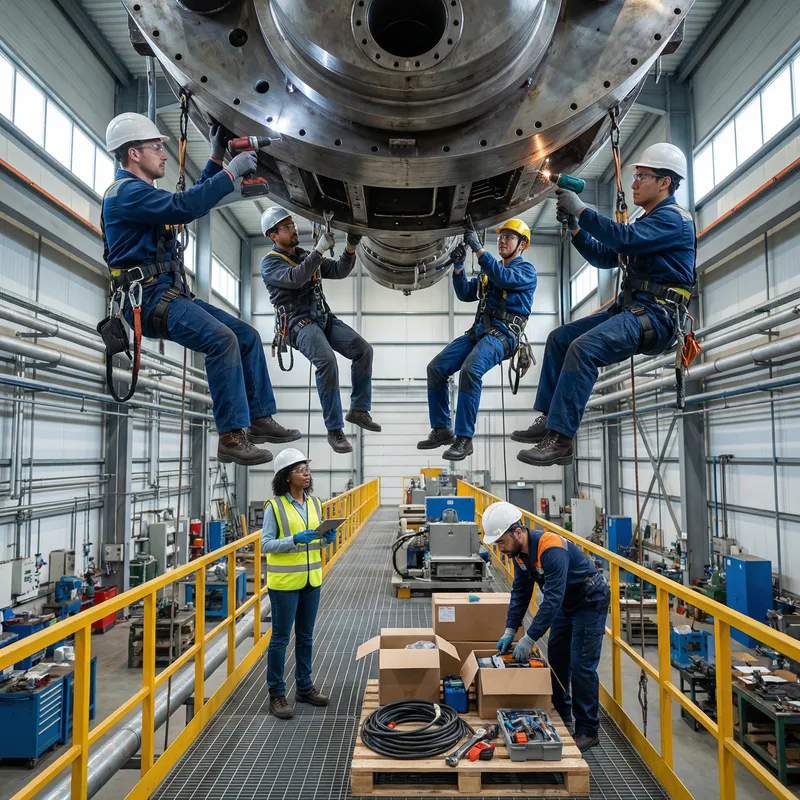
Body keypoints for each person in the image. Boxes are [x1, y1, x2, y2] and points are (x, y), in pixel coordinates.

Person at [102, 113, 299, 466]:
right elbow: (185, 206)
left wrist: (216, 157)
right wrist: (230, 173)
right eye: (156, 148)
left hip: (169, 293)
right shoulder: (125, 195)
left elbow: (185, 205)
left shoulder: (143, 194)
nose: (164, 155)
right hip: (147, 299)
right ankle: (231, 436)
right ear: (133, 153)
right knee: (221, 340)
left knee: (247, 336)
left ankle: (258, 418)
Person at [513, 143, 696, 466]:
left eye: (642, 176)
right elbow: (604, 256)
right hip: (632, 310)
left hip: (657, 316)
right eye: (636, 176)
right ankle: (548, 420)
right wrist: (575, 228)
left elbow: (622, 239)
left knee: (583, 349)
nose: (634, 183)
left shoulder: (673, 221)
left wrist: (582, 210)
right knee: (560, 339)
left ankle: (562, 440)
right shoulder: (647, 223)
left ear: (665, 182)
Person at [481, 501, 609, 753]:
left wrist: (529, 639)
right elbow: (520, 592)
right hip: (567, 602)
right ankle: (563, 712)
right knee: (558, 657)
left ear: (518, 533)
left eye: (502, 542)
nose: (501, 548)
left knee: (581, 665)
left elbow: (551, 600)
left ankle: (588, 730)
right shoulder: (519, 555)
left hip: (589, 601)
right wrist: (510, 629)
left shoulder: (550, 548)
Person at [260, 207, 380, 454]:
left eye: (292, 224)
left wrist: (349, 249)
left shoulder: (304, 254)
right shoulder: (270, 263)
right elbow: (295, 278)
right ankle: (334, 430)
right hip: (298, 322)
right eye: (287, 227)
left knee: (363, 350)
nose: (294, 229)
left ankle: (358, 409)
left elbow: (338, 270)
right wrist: (319, 250)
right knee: (326, 361)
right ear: (273, 235)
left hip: (322, 316)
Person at [418, 221, 537, 460]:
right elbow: (465, 294)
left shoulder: (525, 271)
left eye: (509, 237)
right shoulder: (491, 273)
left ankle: (464, 438)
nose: (502, 240)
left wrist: (478, 250)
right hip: (480, 332)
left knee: (471, 369)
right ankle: (441, 429)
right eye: (501, 236)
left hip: (503, 335)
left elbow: (504, 278)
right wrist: (460, 267)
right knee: (436, 368)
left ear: (522, 244)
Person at [261, 447, 335, 719]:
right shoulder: (275, 507)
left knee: (305, 637)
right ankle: (277, 694)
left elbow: (314, 538)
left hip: (311, 579)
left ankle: (304, 687)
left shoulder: (315, 503)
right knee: (280, 639)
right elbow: (266, 544)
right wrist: (294, 540)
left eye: (307, 468)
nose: (306, 473)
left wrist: (324, 539)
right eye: (299, 469)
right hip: (284, 585)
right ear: (285, 476)